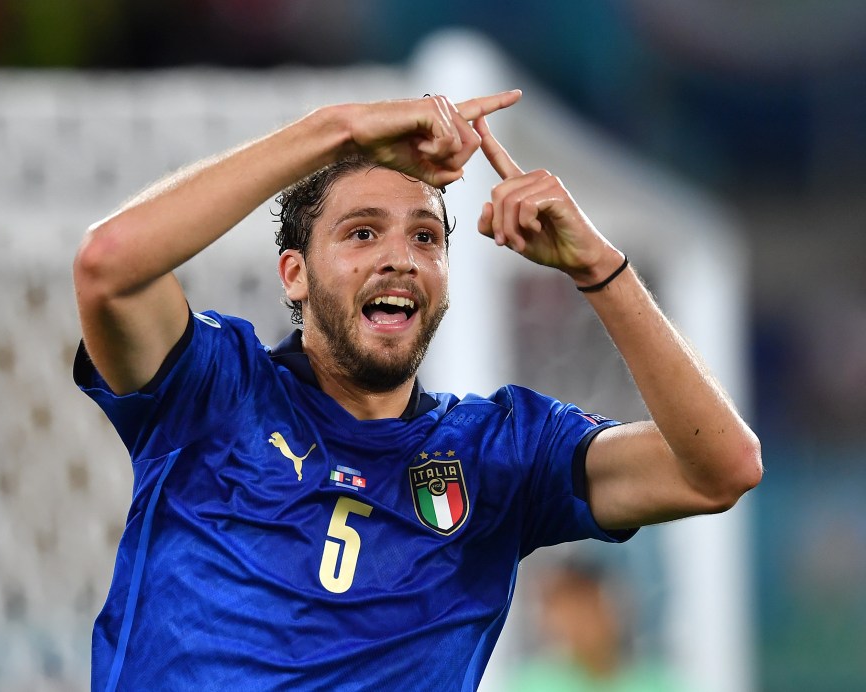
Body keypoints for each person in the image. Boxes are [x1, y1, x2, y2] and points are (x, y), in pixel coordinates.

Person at [72, 90, 762, 691]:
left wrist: (598, 268)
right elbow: (107, 266)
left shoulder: (501, 455)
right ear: (294, 274)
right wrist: (335, 129)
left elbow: (721, 470)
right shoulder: (215, 390)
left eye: (426, 236)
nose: (399, 256)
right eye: (362, 232)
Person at [509, 559, 689, 692]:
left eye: (586, 606)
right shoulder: (534, 683)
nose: (578, 623)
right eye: (566, 610)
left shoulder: (657, 681)